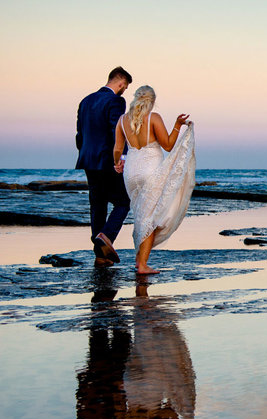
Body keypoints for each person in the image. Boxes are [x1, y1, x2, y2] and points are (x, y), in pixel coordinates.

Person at [113, 85, 196, 274]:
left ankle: (138, 259)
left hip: (131, 174)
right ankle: (142, 265)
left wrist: (117, 162)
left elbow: (118, 149)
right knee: (149, 219)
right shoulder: (153, 118)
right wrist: (177, 125)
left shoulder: (121, 120)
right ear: (152, 101)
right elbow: (167, 145)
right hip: (151, 171)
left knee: (141, 216)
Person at [77, 66, 133, 266]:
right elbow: (116, 129)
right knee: (124, 202)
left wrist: (84, 153)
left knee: (98, 204)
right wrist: (122, 157)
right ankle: (106, 236)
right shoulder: (116, 101)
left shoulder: (86, 100)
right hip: (107, 159)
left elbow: (79, 135)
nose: (124, 90)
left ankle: (100, 255)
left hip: (87, 160)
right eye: (125, 87)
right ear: (120, 82)